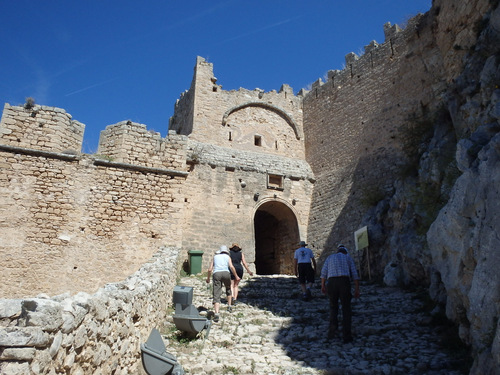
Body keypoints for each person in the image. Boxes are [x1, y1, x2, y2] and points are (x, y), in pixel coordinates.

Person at [321, 244, 360, 343]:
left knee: (333, 306)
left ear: (337, 251)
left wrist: (323, 285)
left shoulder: (330, 257)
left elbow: (323, 273)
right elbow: (354, 274)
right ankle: (347, 335)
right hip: (344, 282)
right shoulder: (348, 258)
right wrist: (356, 288)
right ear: (345, 252)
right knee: (346, 308)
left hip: (332, 282)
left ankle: (332, 332)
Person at [206, 245, 240, 322]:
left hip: (216, 273)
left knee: (216, 292)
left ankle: (217, 313)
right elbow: (231, 267)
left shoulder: (215, 257)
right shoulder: (228, 257)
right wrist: (236, 276)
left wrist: (208, 278)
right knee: (228, 288)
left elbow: (210, 269)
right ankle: (229, 305)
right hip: (226, 273)